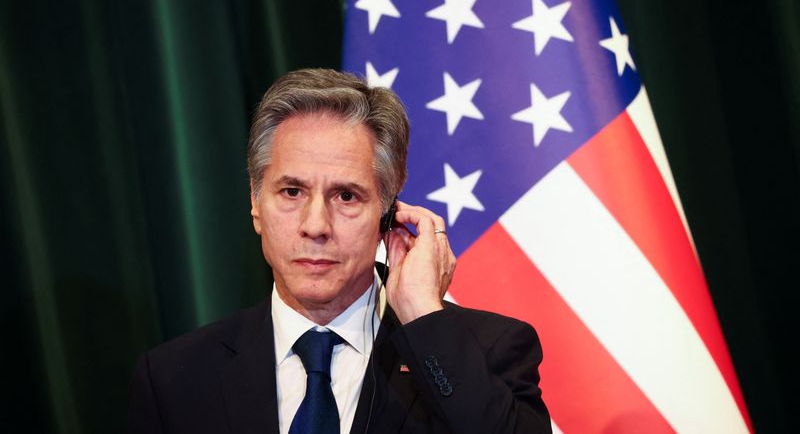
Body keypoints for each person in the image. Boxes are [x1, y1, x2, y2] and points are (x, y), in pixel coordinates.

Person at [128, 68, 552, 433]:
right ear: (256, 203)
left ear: (387, 213)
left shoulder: (490, 351)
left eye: (346, 196)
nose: (316, 226)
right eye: (291, 192)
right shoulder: (174, 379)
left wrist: (423, 317)